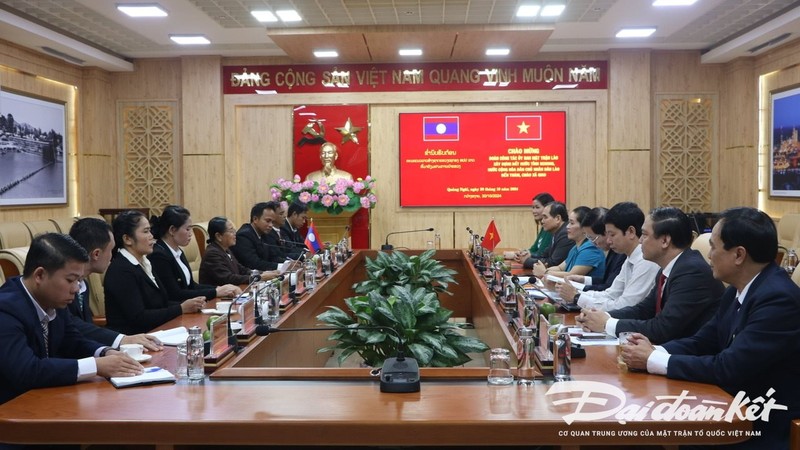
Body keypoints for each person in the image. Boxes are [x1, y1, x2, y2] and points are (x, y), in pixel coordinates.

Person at [621, 207, 800, 449]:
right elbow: (702, 341)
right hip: (727, 405)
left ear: (738, 255)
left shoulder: (778, 299)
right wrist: (656, 350)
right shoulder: (737, 290)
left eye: (714, 247)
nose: (708, 255)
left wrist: (653, 360)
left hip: (757, 423)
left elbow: (729, 367)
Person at [0, 233, 144, 405]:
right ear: (39, 275)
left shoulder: (53, 299)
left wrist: (105, 352)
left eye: (79, 280)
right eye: (70, 280)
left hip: (47, 400)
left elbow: (73, 341)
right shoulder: (5, 309)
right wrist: (96, 366)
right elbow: (26, 370)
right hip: (11, 410)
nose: (76, 289)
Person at [577, 206, 724, 344]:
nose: (640, 241)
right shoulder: (669, 267)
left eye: (645, 235)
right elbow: (643, 309)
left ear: (665, 240)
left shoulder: (692, 271)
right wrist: (600, 317)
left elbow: (663, 327)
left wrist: (607, 324)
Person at [68, 217, 163, 351]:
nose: (112, 256)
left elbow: (84, 332)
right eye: (111, 250)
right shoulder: (64, 288)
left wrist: (104, 352)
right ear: (96, 254)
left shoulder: (83, 284)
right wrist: (121, 340)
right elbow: (72, 326)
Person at [104, 210, 206, 335]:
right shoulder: (121, 270)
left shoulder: (145, 263)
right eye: (146, 231)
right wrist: (181, 308)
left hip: (156, 332)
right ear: (127, 239)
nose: (152, 236)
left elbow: (161, 302)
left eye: (150, 230)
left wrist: (191, 305)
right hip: (134, 341)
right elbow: (139, 317)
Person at [556, 202, 660, 311]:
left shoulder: (645, 261)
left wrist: (577, 297)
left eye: (612, 235)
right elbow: (611, 294)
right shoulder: (629, 257)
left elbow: (625, 305)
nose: (609, 240)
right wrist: (577, 294)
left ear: (631, 232)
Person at [148, 205, 240, 301]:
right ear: (172, 230)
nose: (191, 233)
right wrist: (216, 292)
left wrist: (218, 289)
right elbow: (175, 294)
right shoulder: (159, 255)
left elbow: (191, 285)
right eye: (187, 229)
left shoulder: (178, 251)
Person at [199, 216, 280, 286]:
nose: (235, 234)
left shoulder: (225, 249)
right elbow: (228, 278)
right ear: (219, 236)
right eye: (231, 231)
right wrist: (259, 277)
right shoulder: (212, 253)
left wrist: (263, 273)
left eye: (234, 230)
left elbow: (241, 269)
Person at [533, 206, 605, 280]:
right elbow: (560, 268)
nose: (567, 226)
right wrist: (543, 270)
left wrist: (545, 272)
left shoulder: (591, 249)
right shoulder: (576, 247)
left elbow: (572, 275)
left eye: (572, 223)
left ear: (584, 228)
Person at [231, 202, 283, 271]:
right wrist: (280, 267)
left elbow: (273, 257)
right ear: (255, 219)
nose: (271, 225)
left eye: (272, 222)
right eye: (268, 221)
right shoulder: (243, 236)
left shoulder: (264, 234)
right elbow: (254, 263)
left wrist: (287, 264)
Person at [522, 201, 573, 269]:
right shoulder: (556, 232)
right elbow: (544, 255)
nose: (542, 221)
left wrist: (527, 261)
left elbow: (553, 263)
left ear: (557, 218)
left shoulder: (565, 234)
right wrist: (529, 256)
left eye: (545, 217)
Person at [515, 192, 555, 263]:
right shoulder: (544, 227)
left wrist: (523, 255)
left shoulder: (551, 229)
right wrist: (520, 253)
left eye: (537, 207)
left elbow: (541, 254)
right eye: (533, 207)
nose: (534, 211)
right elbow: (533, 249)